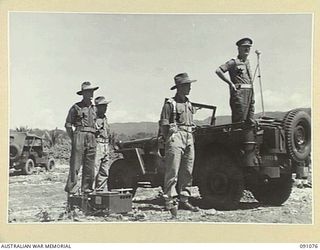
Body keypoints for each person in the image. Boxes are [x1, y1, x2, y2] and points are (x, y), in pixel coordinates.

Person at [159, 72, 200, 216]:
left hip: (189, 136)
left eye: (189, 85)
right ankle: (170, 201)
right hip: (176, 136)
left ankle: (184, 198)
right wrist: (169, 139)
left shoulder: (189, 103)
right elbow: (164, 124)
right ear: (179, 87)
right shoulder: (170, 104)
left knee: (187, 170)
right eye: (186, 85)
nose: (189, 88)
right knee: (173, 171)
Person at [64, 81, 98, 194]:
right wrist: (74, 138)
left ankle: (87, 189)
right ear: (83, 94)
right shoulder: (76, 107)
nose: (91, 94)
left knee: (90, 166)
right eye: (88, 92)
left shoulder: (95, 109)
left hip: (92, 137)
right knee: (75, 164)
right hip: (79, 135)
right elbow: (68, 124)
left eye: (92, 91)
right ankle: (72, 189)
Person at [215, 37, 255, 124]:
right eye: (244, 47)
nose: (247, 49)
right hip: (239, 93)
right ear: (239, 48)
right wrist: (230, 83)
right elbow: (218, 71)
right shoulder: (233, 62)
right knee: (239, 120)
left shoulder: (247, 62)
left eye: (249, 47)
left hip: (250, 92)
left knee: (250, 120)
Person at [94, 96, 111, 192]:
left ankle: (100, 192)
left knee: (104, 171)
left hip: (105, 145)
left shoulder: (104, 118)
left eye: (106, 106)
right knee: (94, 170)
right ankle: (90, 193)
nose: (105, 108)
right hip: (97, 144)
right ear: (98, 107)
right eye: (103, 106)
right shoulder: (94, 118)